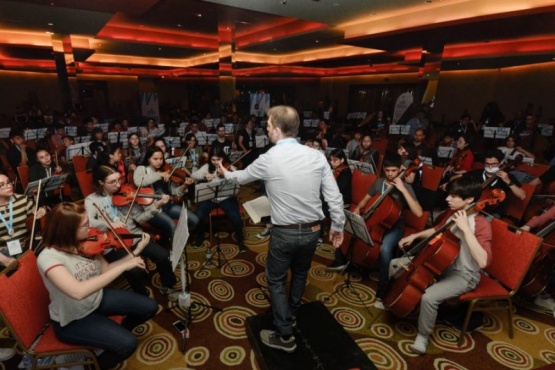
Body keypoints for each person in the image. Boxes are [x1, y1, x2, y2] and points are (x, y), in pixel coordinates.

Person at [217, 105, 345, 353]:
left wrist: (225, 172)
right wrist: (337, 226)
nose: (266, 130)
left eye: (267, 126)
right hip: (313, 232)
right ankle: (292, 313)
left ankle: (284, 333)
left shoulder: (269, 158)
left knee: (275, 279)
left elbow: (240, 178)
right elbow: (334, 197)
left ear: (276, 129)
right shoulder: (317, 156)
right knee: (300, 274)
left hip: (284, 233)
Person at [36, 202, 158, 369]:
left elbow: (106, 270)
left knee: (150, 307)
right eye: (85, 224)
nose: (91, 227)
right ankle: (89, 365)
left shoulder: (85, 244)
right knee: (128, 344)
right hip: (73, 319)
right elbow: (78, 292)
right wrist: (124, 266)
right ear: (67, 230)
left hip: (96, 300)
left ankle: (107, 338)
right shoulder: (48, 258)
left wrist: (136, 252)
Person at [397, 176, 492, 354]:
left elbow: (483, 261)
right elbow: (436, 230)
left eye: (454, 196)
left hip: (464, 275)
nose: (447, 199)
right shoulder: (452, 213)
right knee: (398, 264)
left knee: (429, 297)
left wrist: (465, 229)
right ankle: (395, 301)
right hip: (443, 265)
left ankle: (422, 337)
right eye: (449, 195)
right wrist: (413, 236)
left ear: (470, 199)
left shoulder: (481, 224)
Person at [85, 165, 179, 300]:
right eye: (112, 182)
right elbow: (89, 222)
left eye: (119, 180)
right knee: (132, 270)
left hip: (134, 235)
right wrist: (109, 224)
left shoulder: (126, 194)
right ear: (100, 182)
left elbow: (139, 219)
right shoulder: (92, 200)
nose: (118, 185)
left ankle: (168, 286)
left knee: (163, 256)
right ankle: (142, 296)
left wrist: (155, 207)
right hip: (113, 242)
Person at [352, 153, 423, 300]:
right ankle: (358, 264)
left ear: (400, 170)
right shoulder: (379, 183)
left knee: (385, 249)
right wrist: (357, 210)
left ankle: (383, 287)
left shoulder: (406, 187)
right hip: (377, 221)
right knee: (358, 234)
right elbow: (365, 200)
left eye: (394, 171)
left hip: (395, 225)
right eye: (387, 170)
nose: (390, 174)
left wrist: (403, 189)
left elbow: (418, 213)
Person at [133, 147, 198, 245]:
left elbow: (174, 192)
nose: (159, 162)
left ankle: (178, 241)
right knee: (171, 226)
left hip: (168, 206)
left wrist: (184, 186)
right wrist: (159, 175)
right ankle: (166, 247)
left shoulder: (166, 170)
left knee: (194, 220)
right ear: (148, 159)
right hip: (153, 208)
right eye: (155, 159)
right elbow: (138, 182)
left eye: (161, 159)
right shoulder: (142, 169)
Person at [191, 148, 246, 252]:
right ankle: (200, 237)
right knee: (199, 215)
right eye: (213, 159)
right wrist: (204, 175)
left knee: (236, 217)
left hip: (226, 197)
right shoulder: (207, 167)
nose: (216, 162)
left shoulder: (230, 167)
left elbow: (238, 186)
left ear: (223, 158)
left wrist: (227, 176)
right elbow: (193, 175)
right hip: (210, 197)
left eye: (218, 159)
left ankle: (240, 241)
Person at [466, 149, 525, 217]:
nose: (490, 166)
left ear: (500, 163)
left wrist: (508, 181)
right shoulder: (477, 173)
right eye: (487, 164)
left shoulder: (507, 176)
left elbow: (522, 196)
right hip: (473, 208)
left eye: (494, 164)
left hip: (493, 213)